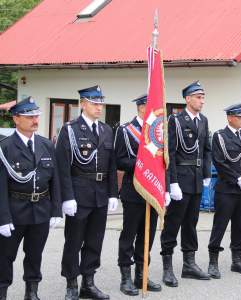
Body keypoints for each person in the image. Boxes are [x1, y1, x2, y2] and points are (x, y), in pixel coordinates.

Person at [56, 85, 118, 300]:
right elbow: (62, 167)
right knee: (74, 240)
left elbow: (111, 165)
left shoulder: (107, 130)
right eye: (94, 103)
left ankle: (88, 282)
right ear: (82, 104)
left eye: (101, 103)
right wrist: (67, 197)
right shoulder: (70, 129)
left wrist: (113, 194)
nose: (99, 107)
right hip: (79, 193)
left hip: (100, 194)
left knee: (95, 240)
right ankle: (72, 282)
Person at [0, 97, 62, 300]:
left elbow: (55, 180)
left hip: (41, 210)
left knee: (35, 255)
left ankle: (32, 292)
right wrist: (3, 218)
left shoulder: (46, 144)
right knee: (4, 256)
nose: (35, 120)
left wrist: (56, 210)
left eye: (36, 116)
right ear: (16, 119)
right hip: (15, 210)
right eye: (29, 116)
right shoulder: (5, 147)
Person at [160, 81, 211, 287]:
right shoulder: (175, 120)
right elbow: (169, 153)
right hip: (180, 177)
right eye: (198, 97)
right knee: (173, 223)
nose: (202, 101)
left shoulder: (203, 120)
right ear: (187, 99)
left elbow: (206, 149)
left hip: (197, 178)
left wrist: (206, 173)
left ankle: (189, 264)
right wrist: (172, 182)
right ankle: (167, 266)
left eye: (203, 97)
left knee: (191, 223)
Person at [114, 94, 162, 294]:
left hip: (153, 190)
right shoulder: (126, 131)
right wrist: (143, 164)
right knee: (129, 235)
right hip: (133, 191)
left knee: (147, 236)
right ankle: (125, 277)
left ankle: (141, 274)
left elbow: (163, 160)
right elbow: (120, 160)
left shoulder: (158, 131)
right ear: (142, 108)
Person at [207, 103, 241, 279]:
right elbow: (220, 162)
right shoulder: (220, 136)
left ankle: (237, 260)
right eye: (239, 117)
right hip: (227, 189)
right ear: (230, 118)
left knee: (240, 226)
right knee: (220, 225)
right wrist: (237, 179)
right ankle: (213, 262)